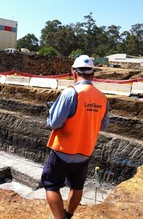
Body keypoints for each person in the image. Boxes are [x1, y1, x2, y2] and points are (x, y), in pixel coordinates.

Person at [41, 55, 110, 219]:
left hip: (62, 151)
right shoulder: (102, 98)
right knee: (77, 186)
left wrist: (52, 112)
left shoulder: (70, 93)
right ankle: (68, 215)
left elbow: (54, 123)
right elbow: (104, 124)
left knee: (51, 186)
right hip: (84, 152)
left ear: (74, 72)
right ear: (93, 75)